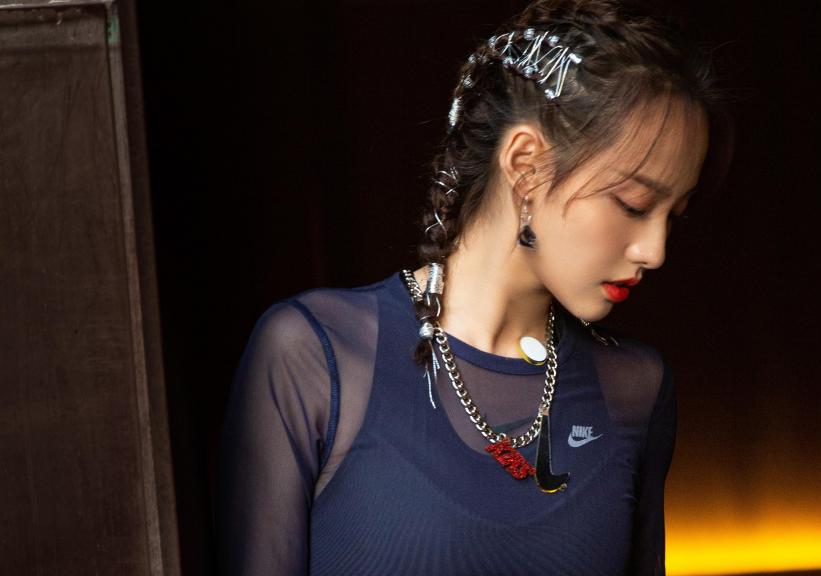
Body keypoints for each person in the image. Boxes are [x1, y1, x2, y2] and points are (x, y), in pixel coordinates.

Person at [216, 1, 728, 574]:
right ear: (526, 165)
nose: (655, 251)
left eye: (673, 215)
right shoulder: (317, 358)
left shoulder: (633, 391)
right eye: (633, 204)